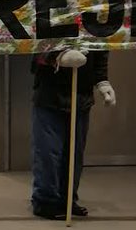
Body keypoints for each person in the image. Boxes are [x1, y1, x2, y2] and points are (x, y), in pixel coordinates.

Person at [30, 49, 114, 220]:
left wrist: (102, 82)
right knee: (48, 152)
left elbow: (100, 51)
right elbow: (35, 56)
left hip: (81, 97)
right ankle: (45, 201)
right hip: (49, 96)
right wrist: (56, 57)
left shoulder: (94, 27)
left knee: (74, 153)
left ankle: (67, 200)